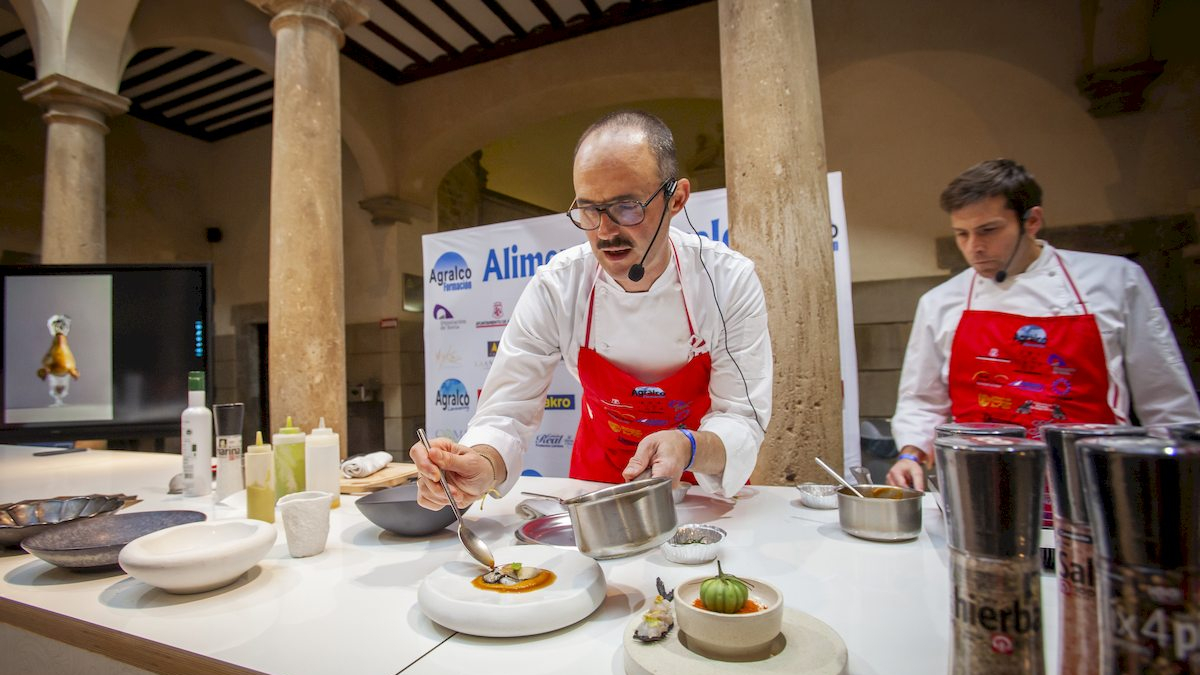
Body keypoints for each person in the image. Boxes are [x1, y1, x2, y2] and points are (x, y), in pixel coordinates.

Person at [411, 110, 772, 510]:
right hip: (598, 483)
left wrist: (687, 444)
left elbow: (741, 417)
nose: (604, 231)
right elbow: (506, 411)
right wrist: (483, 462)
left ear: (676, 199)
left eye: (627, 207)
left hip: (704, 484)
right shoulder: (558, 286)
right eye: (588, 210)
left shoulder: (727, 281)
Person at [887, 159, 1200, 490]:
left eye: (988, 230)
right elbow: (922, 401)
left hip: (1094, 487)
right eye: (961, 234)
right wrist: (910, 455)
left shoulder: (1115, 280)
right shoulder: (941, 302)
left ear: (1032, 221)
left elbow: (1166, 401)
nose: (973, 248)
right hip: (979, 488)